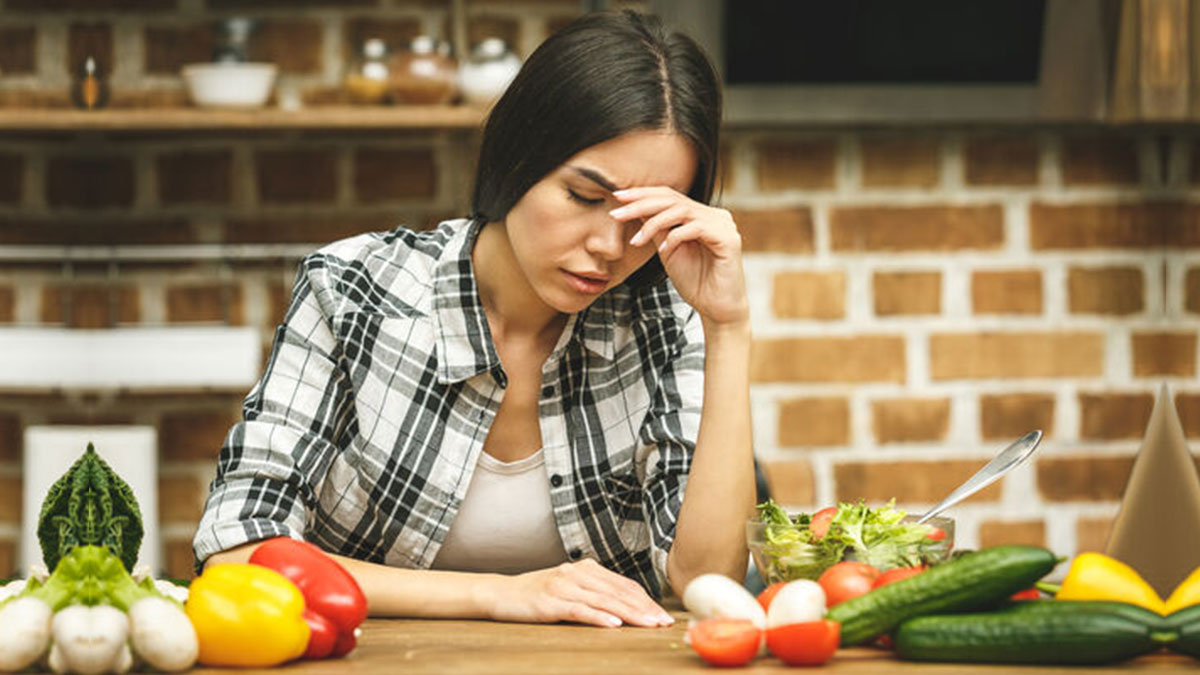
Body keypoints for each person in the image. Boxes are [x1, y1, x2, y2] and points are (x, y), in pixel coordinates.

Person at [192, 9, 753, 629]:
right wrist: (498, 595)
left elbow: (705, 580)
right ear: (517, 160)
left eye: (647, 220)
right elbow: (237, 553)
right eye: (586, 197)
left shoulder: (661, 318)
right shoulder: (353, 288)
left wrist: (727, 327)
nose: (610, 247)